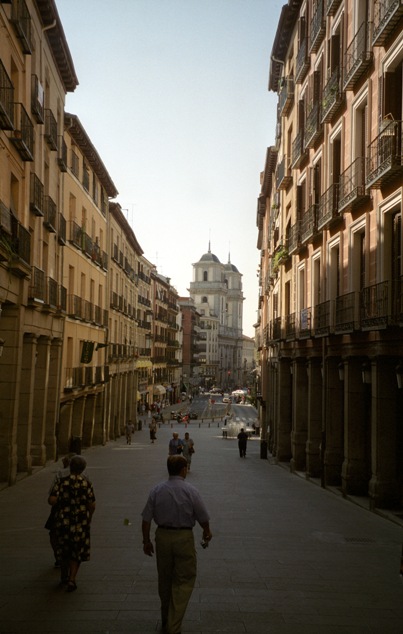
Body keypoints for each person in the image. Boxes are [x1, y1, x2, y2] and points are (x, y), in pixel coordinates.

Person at [141, 455, 212, 634]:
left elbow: (146, 519)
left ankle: (166, 619)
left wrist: (146, 541)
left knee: (164, 579)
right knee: (184, 580)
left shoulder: (156, 490)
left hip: (162, 536)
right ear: (183, 470)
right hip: (183, 537)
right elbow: (203, 516)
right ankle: (173, 625)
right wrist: (206, 531)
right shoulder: (191, 491)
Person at [48, 455, 96, 592]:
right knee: (77, 550)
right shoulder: (86, 483)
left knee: (63, 548)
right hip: (80, 522)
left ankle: (64, 575)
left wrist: (61, 502)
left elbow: (51, 500)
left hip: (63, 520)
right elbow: (92, 505)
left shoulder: (62, 482)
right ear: (83, 469)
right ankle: (72, 579)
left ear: (70, 467)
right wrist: (89, 518)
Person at [45, 453, 75, 567]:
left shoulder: (60, 475)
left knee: (53, 533)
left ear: (67, 463)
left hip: (60, 511)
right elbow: (91, 503)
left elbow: (51, 499)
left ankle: (58, 556)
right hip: (78, 513)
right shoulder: (84, 478)